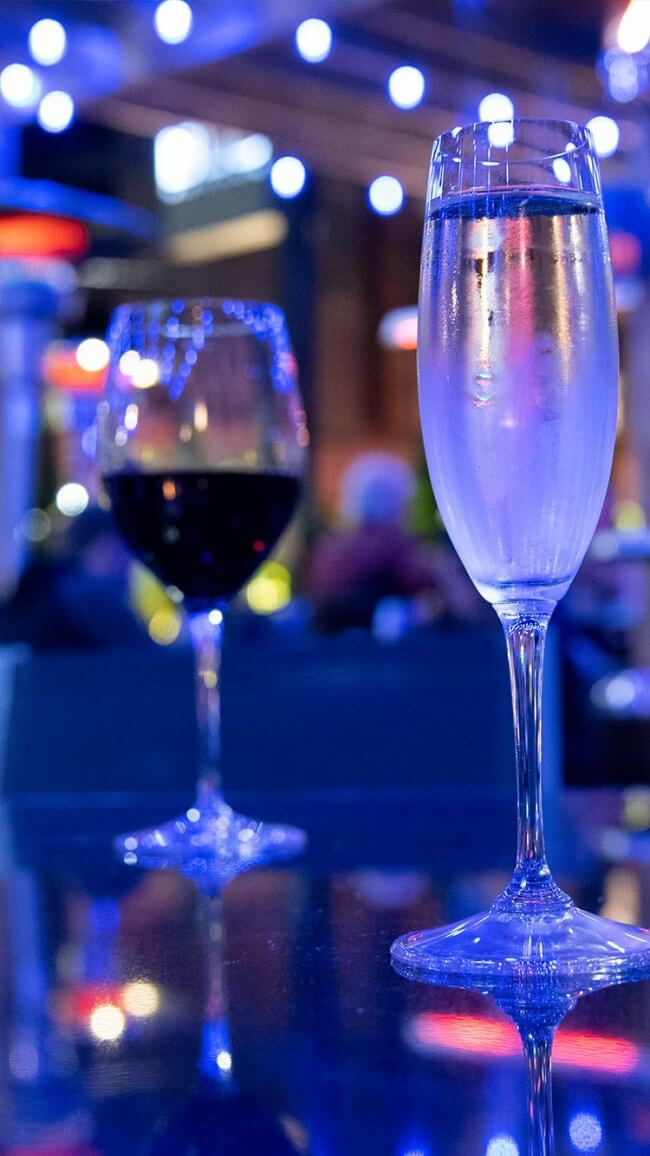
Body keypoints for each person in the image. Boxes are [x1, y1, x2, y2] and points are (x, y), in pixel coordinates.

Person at [309, 452, 480, 632]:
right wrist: (441, 566)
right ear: (398, 502)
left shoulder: (327, 549)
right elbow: (456, 600)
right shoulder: (389, 544)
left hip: (330, 650)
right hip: (384, 654)